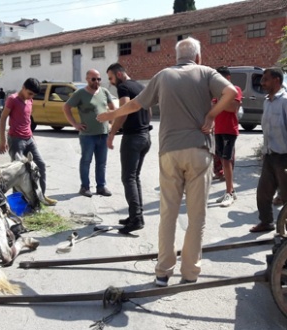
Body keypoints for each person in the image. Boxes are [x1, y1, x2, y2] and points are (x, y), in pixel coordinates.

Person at [96, 38, 237, 286]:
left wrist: (110, 115)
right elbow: (231, 93)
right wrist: (211, 115)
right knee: (196, 217)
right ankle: (190, 273)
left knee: (168, 214)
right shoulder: (206, 73)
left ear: (176, 57)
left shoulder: (162, 76)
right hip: (199, 150)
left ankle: (163, 272)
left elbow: (135, 104)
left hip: (170, 152)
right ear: (198, 56)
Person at [250, 68, 287, 233]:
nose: (262, 83)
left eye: (265, 80)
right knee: (263, 192)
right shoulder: (267, 101)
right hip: (270, 155)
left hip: (285, 156)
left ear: (276, 80)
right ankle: (266, 222)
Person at [105, 63, 152, 234]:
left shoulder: (124, 86)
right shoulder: (140, 86)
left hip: (133, 138)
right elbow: (150, 111)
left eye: (111, 78)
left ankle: (136, 219)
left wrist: (112, 133)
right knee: (134, 177)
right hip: (145, 136)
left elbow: (123, 111)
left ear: (119, 74)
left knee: (128, 178)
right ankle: (135, 215)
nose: (110, 82)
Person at [0, 78, 57, 205]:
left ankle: (41, 198)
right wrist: (2, 140)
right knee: (18, 171)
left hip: (29, 138)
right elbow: (2, 119)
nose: (31, 97)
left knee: (40, 165)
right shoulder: (12, 99)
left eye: (33, 95)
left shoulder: (30, 99)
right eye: (30, 93)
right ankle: (18, 203)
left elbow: (27, 120)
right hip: (16, 140)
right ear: (23, 87)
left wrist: (32, 137)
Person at [63, 69, 115, 198]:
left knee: (101, 162)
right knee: (86, 161)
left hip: (103, 134)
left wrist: (111, 124)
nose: (96, 81)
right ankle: (85, 187)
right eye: (93, 79)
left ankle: (101, 186)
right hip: (87, 135)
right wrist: (75, 124)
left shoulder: (104, 92)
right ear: (87, 79)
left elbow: (113, 108)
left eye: (98, 79)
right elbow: (66, 107)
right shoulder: (80, 93)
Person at [213, 66, 242, 207]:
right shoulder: (217, 92)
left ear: (227, 78)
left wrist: (219, 101)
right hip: (217, 129)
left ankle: (229, 193)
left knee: (227, 161)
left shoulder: (234, 89)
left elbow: (233, 108)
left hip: (229, 130)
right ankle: (231, 191)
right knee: (222, 161)